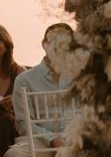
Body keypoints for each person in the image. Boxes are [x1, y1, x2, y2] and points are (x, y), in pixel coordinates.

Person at [3, 23, 74, 157]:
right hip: (39, 140)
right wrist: (52, 139)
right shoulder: (24, 80)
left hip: (76, 139)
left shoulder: (81, 78)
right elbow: (23, 123)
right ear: (44, 44)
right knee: (14, 154)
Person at [0, 26, 25, 155]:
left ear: (6, 44)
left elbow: (33, 104)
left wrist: (16, 102)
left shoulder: (20, 73)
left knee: (6, 119)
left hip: (14, 125)